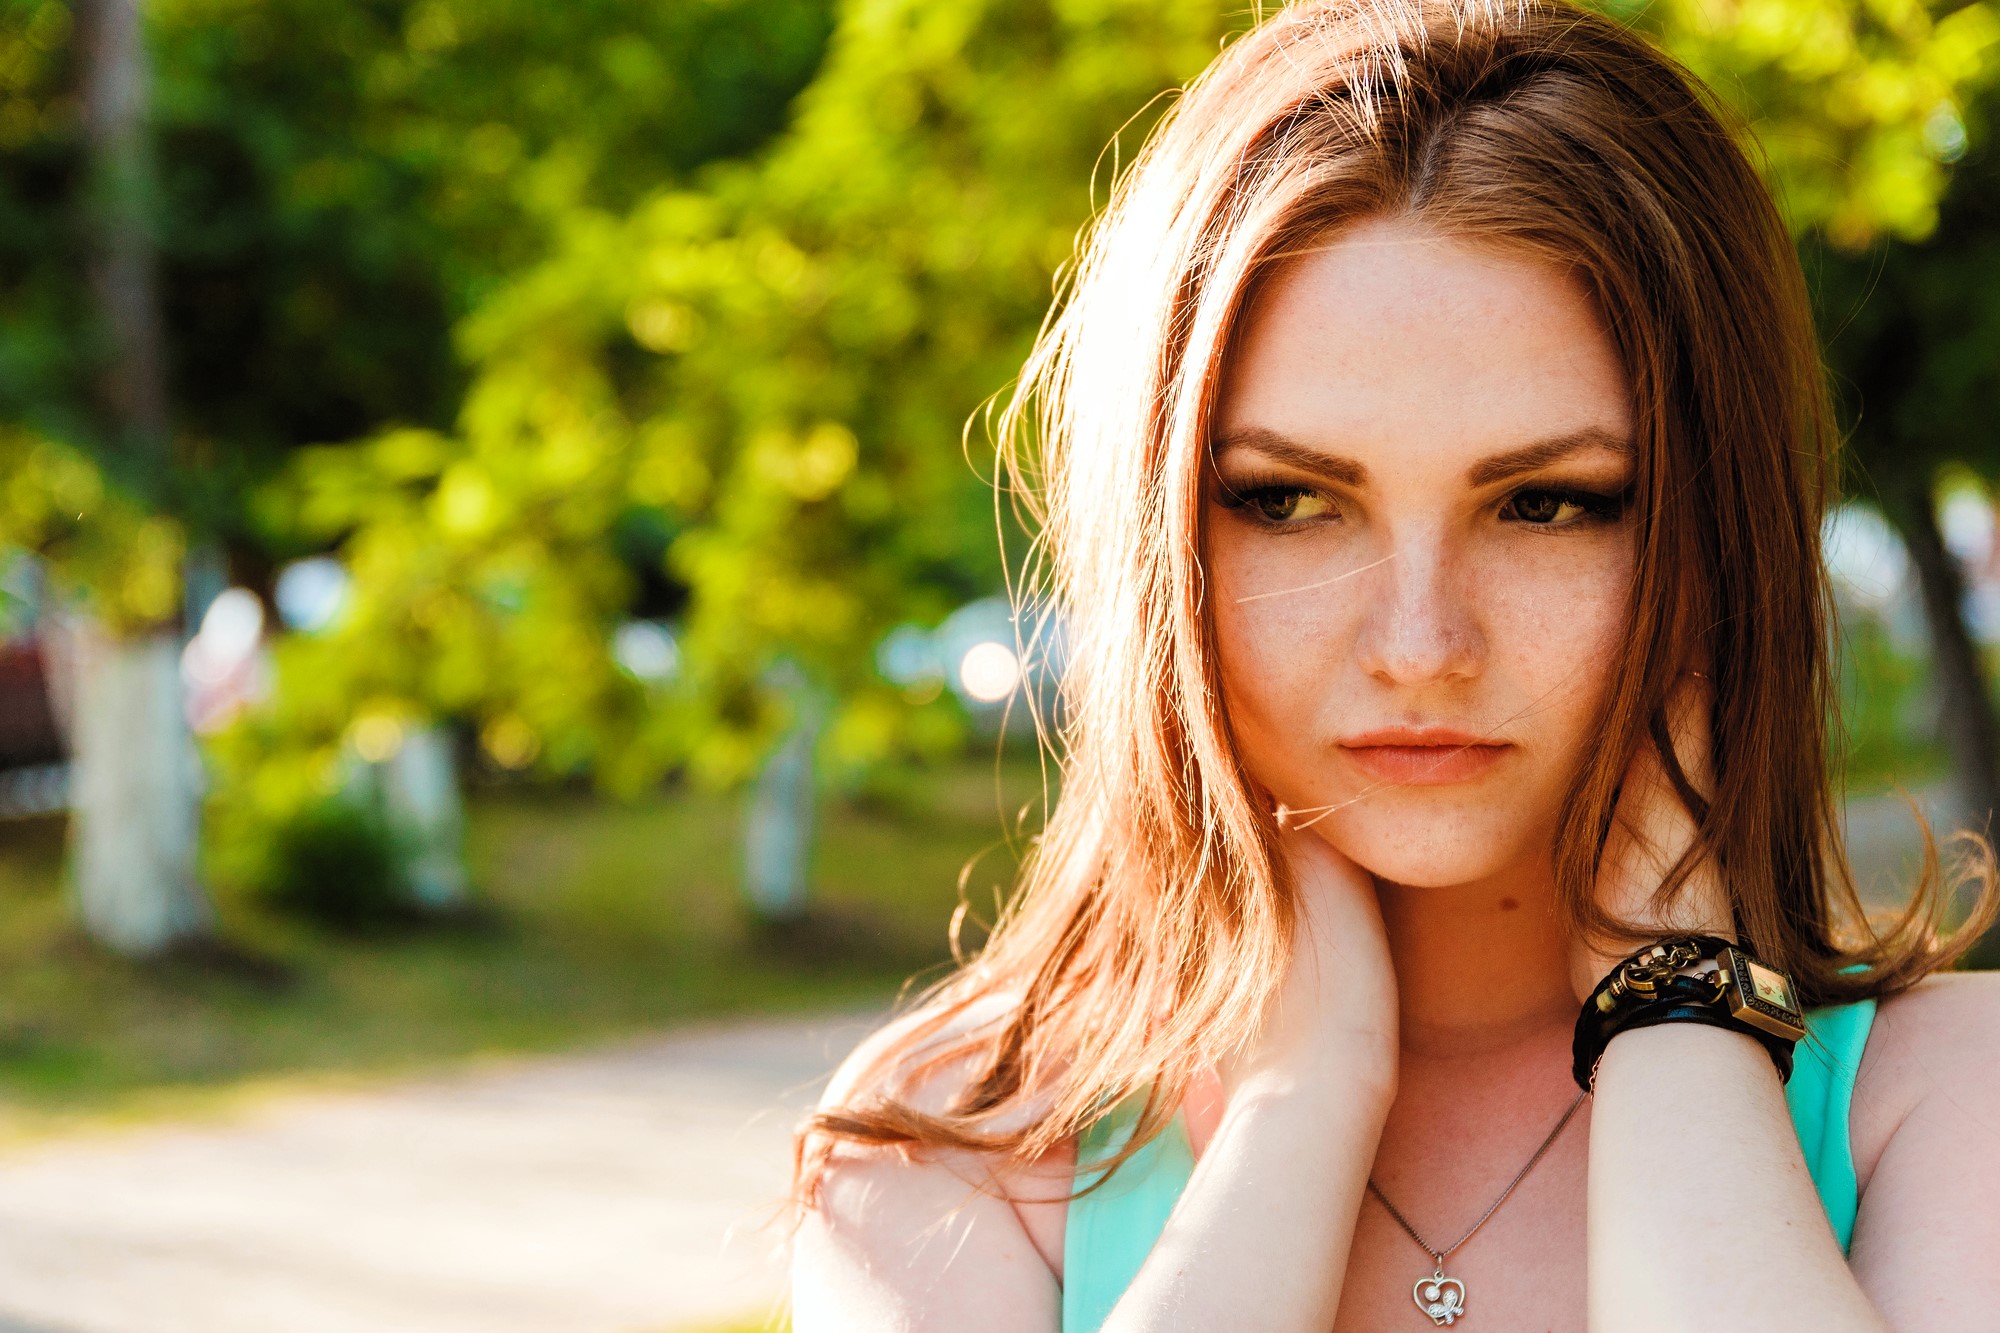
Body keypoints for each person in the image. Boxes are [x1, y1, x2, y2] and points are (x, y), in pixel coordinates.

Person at [785, 0, 2000, 1326]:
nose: (1421, 646)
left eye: (1547, 503)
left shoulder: (1948, 1112)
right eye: (1291, 502)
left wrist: (1679, 1008)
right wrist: (1299, 1100)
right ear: (1156, 533)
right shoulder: (952, 1154)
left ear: (1720, 532)